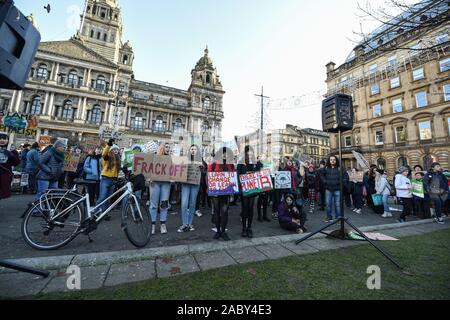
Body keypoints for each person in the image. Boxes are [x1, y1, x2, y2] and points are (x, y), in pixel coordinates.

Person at [209, 147, 235, 241]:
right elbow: (209, 178)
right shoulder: (213, 165)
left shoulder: (231, 165)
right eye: (223, 153)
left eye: (226, 153)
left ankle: (223, 231)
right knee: (216, 211)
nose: (225, 155)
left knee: (224, 212)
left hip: (226, 193)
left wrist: (232, 193)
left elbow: (233, 179)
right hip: (215, 193)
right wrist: (212, 191)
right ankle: (218, 231)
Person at [178, 145, 203, 233]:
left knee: (192, 203)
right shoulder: (184, 159)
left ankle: (190, 223)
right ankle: (184, 223)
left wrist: (202, 167)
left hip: (195, 184)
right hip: (185, 184)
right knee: (184, 203)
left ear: (197, 151)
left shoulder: (200, 160)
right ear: (189, 150)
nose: (193, 150)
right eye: (192, 149)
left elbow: (205, 171)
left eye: (195, 149)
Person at [149, 142, 172, 235]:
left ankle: (163, 224)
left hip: (166, 183)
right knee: (153, 204)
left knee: (164, 204)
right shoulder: (154, 157)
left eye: (169, 147)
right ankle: (152, 225)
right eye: (166, 147)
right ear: (162, 147)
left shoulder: (171, 158)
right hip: (155, 183)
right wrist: (149, 177)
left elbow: (174, 170)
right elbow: (149, 168)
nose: (168, 148)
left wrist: (175, 177)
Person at [95, 139, 121, 220]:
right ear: (111, 150)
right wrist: (109, 145)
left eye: (117, 149)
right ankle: (94, 212)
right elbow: (104, 153)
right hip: (106, 179)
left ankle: (104, 213)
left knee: (107, 199)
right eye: (114, 149)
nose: (116, 150)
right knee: (102, 197)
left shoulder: (118, 159)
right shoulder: (107, 158)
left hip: (113, 181)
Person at [237, 145, 258, 238]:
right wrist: (245, 175)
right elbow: (238, 175)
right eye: (248, 151)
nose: (249, 153)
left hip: (253, 188)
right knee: (245, 209)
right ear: (245, 153)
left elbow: (259, 174)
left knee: (251, 209)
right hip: (244, 188)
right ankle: (243, 228)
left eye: (251, 151)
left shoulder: (255, 162)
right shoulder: (241, 162)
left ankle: (249, 228)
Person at [321, 155, 345, 222]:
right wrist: (325, 182)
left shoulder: (340, 168)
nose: (332, 161)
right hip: (328, 189)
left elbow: (345, 177)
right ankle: (329, 217)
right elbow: (321, 175)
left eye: (334, 159)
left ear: (336, 160)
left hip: (337, 189)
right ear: (329, 160)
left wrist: (340, 182)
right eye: (331, 159)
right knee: (328, 204)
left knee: (338, 205)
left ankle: (338, 218)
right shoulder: (326, 168)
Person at [0, 133, 21, 201]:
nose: (2, 140)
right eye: (0, 138)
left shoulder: (12, 150)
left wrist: (11, 155)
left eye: (4, 138)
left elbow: (16, 163)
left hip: (4, 176)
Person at [256, 157, 271, 223]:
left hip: (266, 185)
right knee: (260, 201)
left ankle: (265, 215)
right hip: (260, 185)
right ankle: (259, 216)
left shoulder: (268, 165)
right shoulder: (258, 164)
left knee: (265, 201)